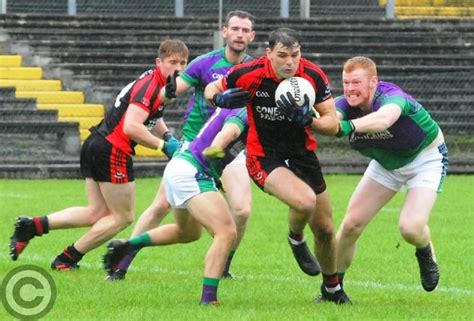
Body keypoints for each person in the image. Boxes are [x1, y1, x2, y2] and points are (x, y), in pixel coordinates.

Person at [9, 40, 188, 270]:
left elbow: (150, 114)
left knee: (96, 213)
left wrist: (167, 134)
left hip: (96, 143)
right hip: (112, 149)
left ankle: (32, 226)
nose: (179, 68)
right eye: (173, 62)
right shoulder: (151, 86)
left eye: (183, 62)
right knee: (122, 217)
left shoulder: (158, 82)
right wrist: (163, 146)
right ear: (159, 62)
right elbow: (132, 126)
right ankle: (67, 259)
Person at [204, 27, 351, 304]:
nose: (289, 62)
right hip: (263, 156)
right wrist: (218, 99)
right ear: (269, 53)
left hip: (302, 155)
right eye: (282, 55)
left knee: (326, 229)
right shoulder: (250, 72)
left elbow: (333, 123)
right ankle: (296, 238)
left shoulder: (312, 75)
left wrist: (310, 120)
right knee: (305, 202)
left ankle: (332, 289)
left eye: (294, 55)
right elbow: (211, 89)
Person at [106, 10, 256, 281]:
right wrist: (170, 91)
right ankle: (121, 262)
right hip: (194, 148)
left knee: (242, 210)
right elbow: (166, 94)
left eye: (245, 31)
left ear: (252, 36)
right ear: (224, 32)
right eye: (235, 29)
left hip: (230, 150)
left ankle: (224, 265)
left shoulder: (253, 70)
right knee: (161, 206)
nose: (239, 35)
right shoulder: (203, 64)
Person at [103, 107, 248, 305]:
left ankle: (129, 245)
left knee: (187, 233)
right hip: (193, 171)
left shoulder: (248, 105)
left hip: (182, 166)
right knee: (226, 232)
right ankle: (208, 300)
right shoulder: (247, 109)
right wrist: (217, 148)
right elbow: (229, 131)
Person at [334, 56, 448, 294]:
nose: (350, 89)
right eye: (346, 83)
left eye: (356, 82)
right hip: (386, 164)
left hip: (425, 158)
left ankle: (425, 249)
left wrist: (348, 127)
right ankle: (333, 289)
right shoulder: (344, 105)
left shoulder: (392, 97)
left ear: (373, 82)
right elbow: (330, 118)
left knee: (410, 228)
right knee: (351, 225)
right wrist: (309, 117)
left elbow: (385, 119)